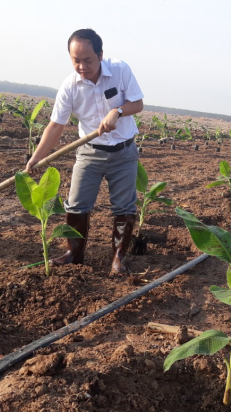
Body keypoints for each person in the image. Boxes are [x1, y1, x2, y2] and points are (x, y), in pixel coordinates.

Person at [26, 28, 144, 273]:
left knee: (124, 207)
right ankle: (74, 254)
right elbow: (56, 125)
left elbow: (138, 103)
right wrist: (37, 158)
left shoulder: (120, 71)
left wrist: (118, 111)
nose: (81, 66)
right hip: (89, 152)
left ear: (101, 55)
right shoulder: (70, 87)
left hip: (123, 153)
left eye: (87, 60)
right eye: (75, 60)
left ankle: (118, 259)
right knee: (77, 205)